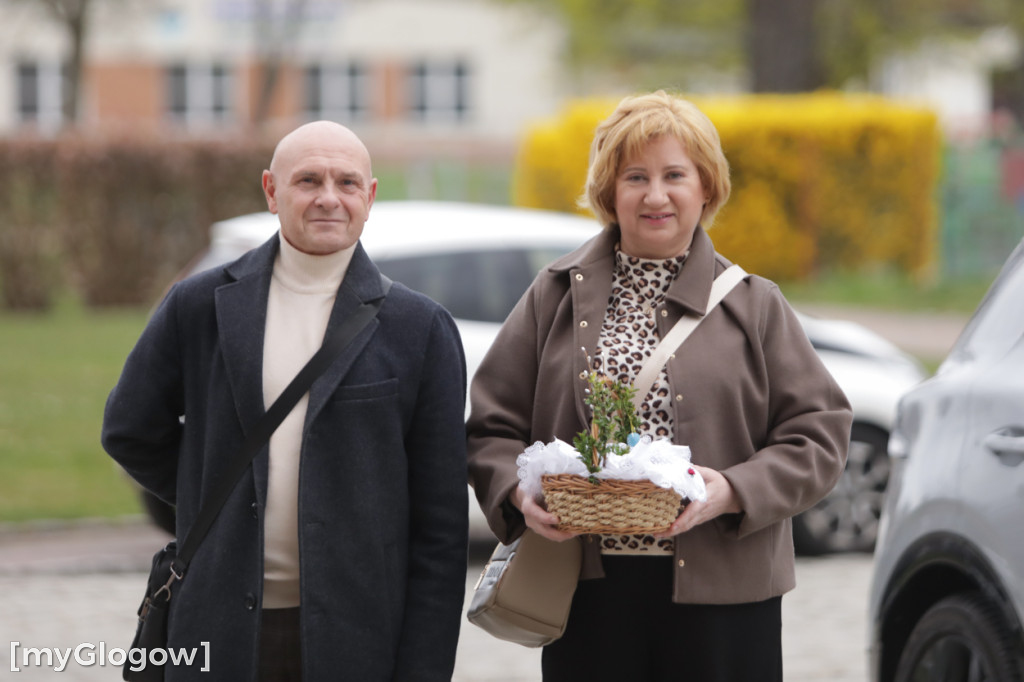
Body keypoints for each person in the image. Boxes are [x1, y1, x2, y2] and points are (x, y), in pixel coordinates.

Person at [466, 91, 852, 681]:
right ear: (608, 193)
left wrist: (734, 490)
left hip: (726, 594)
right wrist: (519, 496)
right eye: (635, 177)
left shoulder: (755, 304)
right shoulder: (554, 294)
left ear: (706, 189)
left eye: (675, 175)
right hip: (586, 594)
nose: (655, 195)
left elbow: (819, 435)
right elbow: (492, 426)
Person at [102, 121, 469, 681]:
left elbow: (440, 529)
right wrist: (218, 504)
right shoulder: (198, 306)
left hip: (359, 638)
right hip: (216, 631)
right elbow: (129, 429)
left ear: (369, 197)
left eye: (347, 182)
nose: (329, 197)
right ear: (272, 191)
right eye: (308, 180)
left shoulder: (420, 329)